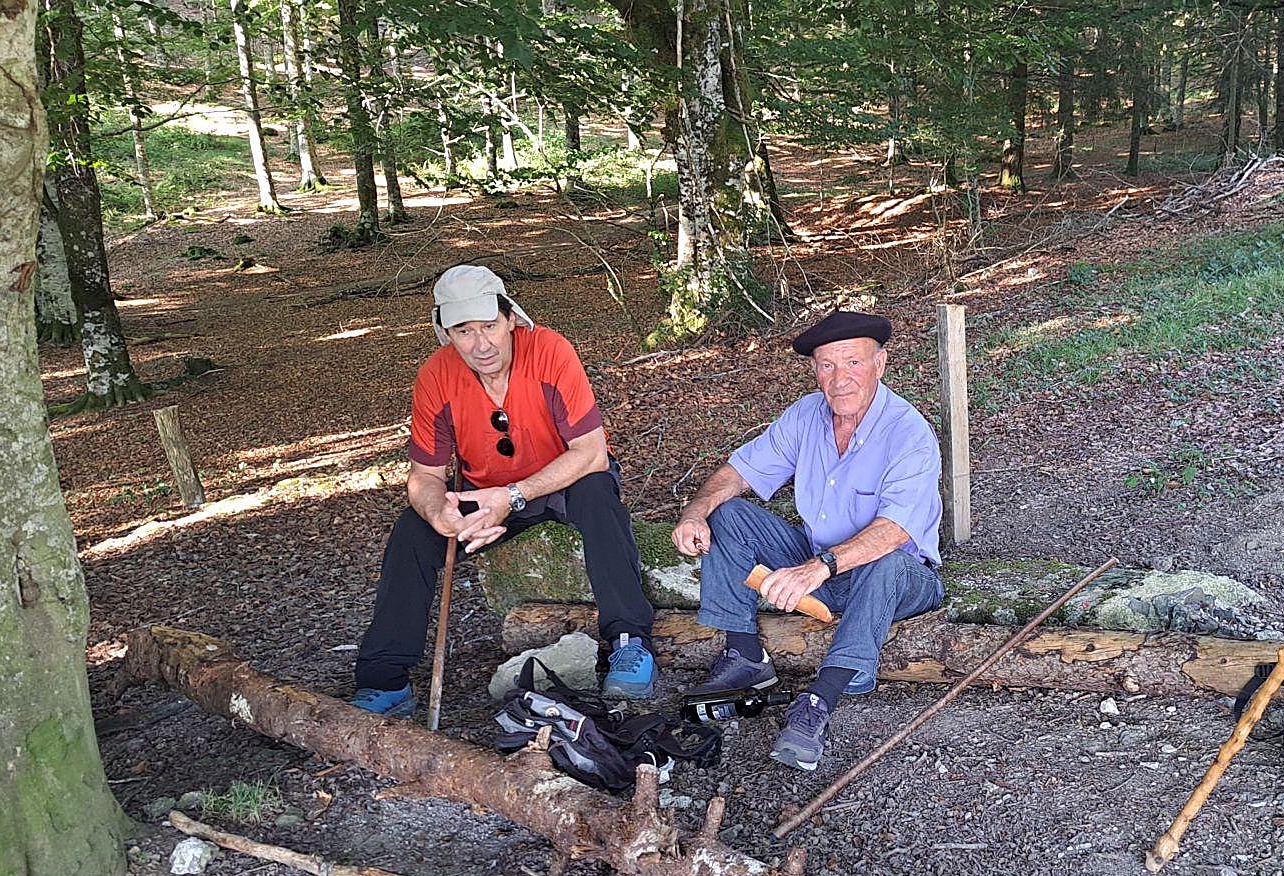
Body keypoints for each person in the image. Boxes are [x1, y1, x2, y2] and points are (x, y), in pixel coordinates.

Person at [349, 265, 658, 715]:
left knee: (598, 496)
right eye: (464, 331)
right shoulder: (436, 377)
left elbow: (590, 453)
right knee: (413, 531)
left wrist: (512, 497)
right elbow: (425, 476)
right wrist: (440, 515)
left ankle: (629, 640)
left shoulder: (551, 352)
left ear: (510, 317)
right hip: (485, 491)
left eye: (489, 326)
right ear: (446, 333)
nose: (482, 344)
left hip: (561, 480)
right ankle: (385, 677)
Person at [672, 311, 944, 770]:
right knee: (731, 514)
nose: (839, 379)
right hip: (820, 560)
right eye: (826, 365)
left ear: (880, 363)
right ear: (814, 370)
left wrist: (818, 568)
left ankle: (819, 700)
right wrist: (695, 512)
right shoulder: (806, 415)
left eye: (852, 363)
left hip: (898, 576)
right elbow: (739, 474)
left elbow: (894, 531)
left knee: (887, 560)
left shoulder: (908, 432)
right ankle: (745, 655)